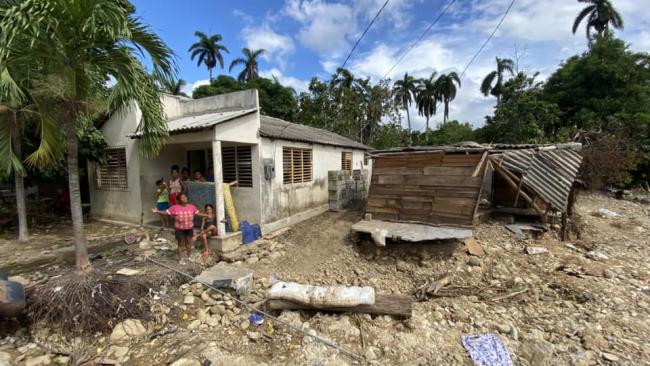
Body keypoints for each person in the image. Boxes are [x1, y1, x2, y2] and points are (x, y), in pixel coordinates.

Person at [152, 193, 208, 263]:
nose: (185, 198)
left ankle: (189, 256)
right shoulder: (175, 207)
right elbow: (166, 212)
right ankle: (180, 259)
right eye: (182, 197)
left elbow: (198, 213)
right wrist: (157, 211)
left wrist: (207, 215)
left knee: (188, 243)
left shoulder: (191, 206)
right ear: (179, 200)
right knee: (181, 244)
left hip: (189, 228)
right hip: (179, 229)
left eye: (185, 197)